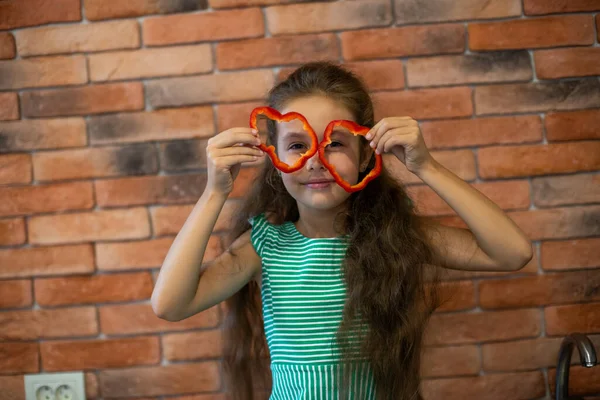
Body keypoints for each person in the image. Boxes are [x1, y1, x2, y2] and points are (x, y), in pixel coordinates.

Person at [151, 62, 533, 400]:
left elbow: (512, 253)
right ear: (275, 157)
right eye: (298, 144)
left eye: (335, 143)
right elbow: (169, 304)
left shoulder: (395, 236)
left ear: (366, 154)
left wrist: (427, 167)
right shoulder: (264, 246)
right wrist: (214, 192)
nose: (316, 160)